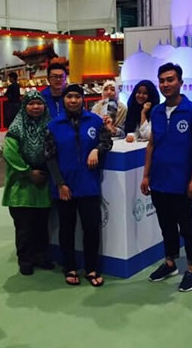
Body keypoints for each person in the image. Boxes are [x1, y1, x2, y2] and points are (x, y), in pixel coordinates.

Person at [141, 63, 192, 293]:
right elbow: (152, 144)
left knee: (186, 224)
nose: (166, 84)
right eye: (162, 80)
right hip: (159, 180)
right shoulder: (156, 112)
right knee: (165, 224)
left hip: (182, 181)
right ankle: (170, 263)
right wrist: (146, 175)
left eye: (170, 79)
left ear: (180, 82)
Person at [44, 84, 113, 287]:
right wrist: (60, 184)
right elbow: (49, 156)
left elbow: (107, 141)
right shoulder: (53, 125)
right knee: (67, 229)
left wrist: (97, 149)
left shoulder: (95, 121)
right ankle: (70, 267)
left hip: (88, 184)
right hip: (65, 187)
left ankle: (91, 268)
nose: (73, 100)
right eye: (69, 97)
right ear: (64, 100)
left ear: (83, 99)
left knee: (91, 228)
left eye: (77, 96)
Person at [2, 90, 54, 276]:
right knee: (24, 227)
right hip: (22, 185)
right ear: (24, 107)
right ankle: (25, 259)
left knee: (41, 224)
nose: (35, 107)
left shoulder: (50, 126)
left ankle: (40, 256)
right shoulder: (16, 128)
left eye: (39, 103)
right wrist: (28, 172)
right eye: (31, 104)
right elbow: (9, 153)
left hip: (43, 184)